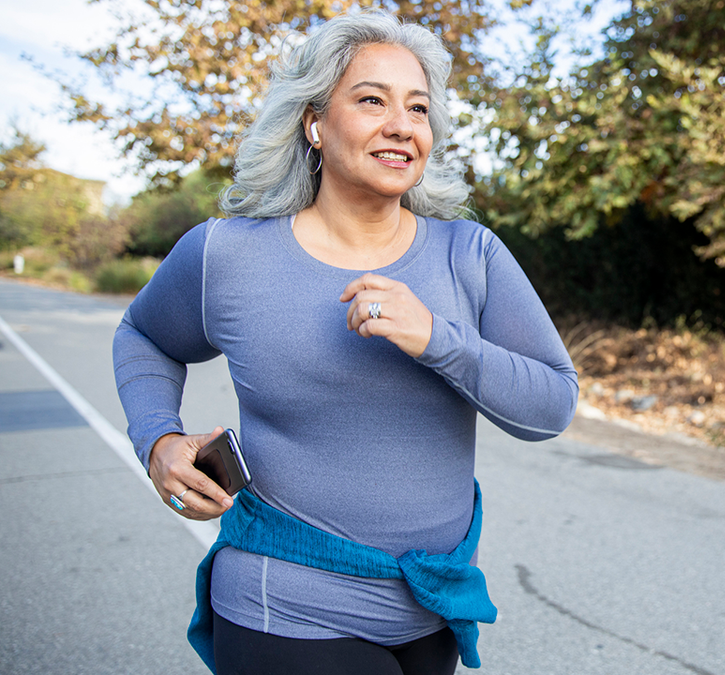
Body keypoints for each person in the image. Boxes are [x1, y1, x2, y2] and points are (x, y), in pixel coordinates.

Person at [112, 11, 578, 675]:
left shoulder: (470, 254)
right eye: (371, 100)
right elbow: (145, 334)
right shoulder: (229, 254)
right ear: (314, 124)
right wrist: (158, 438)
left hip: (431, 609)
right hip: (287, 606)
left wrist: (438, 340)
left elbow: (553, 404)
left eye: (418, 108)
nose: (401, 124)